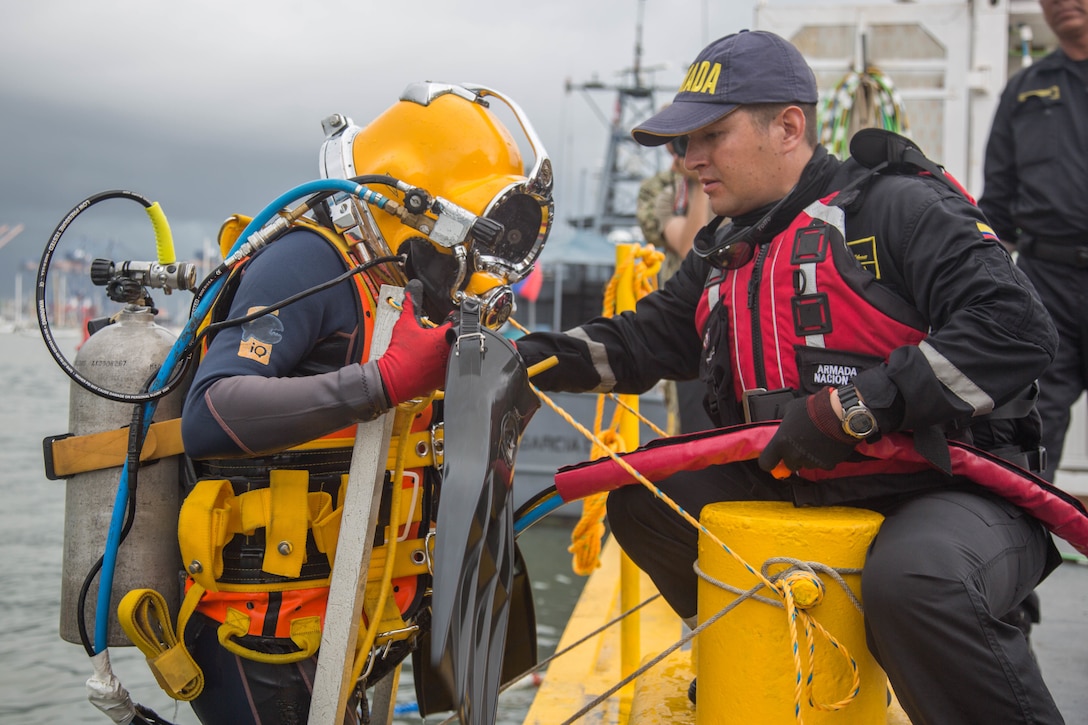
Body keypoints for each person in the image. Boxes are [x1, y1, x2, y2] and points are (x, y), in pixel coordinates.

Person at [516, 30, 1069, 722]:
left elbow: (1017, 328)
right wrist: (518, 359)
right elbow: (639, 340)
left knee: (918, 582)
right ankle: (759, 659)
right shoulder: (726, 252)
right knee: (644, 497)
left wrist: (858, 408)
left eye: (709, 136)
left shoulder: (898, 209)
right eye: (682, 144)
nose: (688, 161)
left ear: (788, 127)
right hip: (812, 482)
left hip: (951, 484)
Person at [175, 82, 553, 724]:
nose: (463, 269)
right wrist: (382, 382)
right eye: (457, 245)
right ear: (411, 213)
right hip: (260, 634)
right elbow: (211, 412)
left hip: (351, 618)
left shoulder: (394, 287)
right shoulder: (306, 263)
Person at [979, 0, 1088, 485]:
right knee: (1037, 422)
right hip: (1046, 282)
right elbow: (996, 203)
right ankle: (1030, 540)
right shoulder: (1024, 92)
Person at [636, 134, 715, 434]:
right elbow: (688, 247)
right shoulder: (661, 191)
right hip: (687, 322)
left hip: (728, 318)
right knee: (689, 427)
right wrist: (696, 185)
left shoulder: (737, 180)